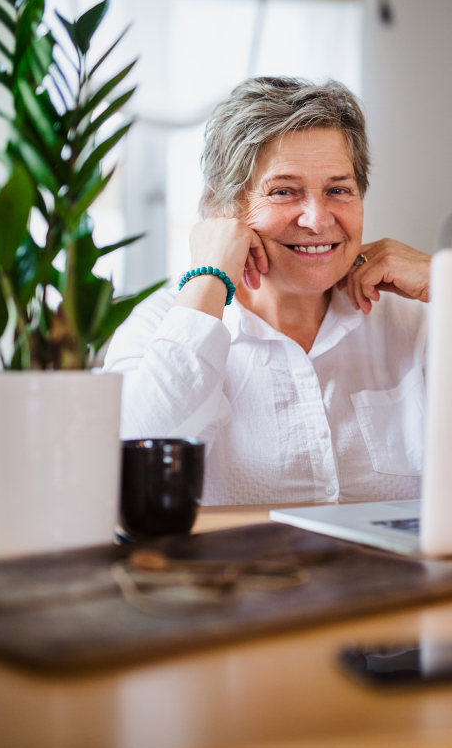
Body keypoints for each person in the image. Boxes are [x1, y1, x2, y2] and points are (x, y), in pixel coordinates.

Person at [104, 77, 431, 505]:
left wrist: (449, 284)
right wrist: (209, 276)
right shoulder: (156, 327)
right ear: (226, 210)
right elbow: (138, 469)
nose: (317, 219)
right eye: (283, 192)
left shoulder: (415, 320)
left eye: (338, 190)